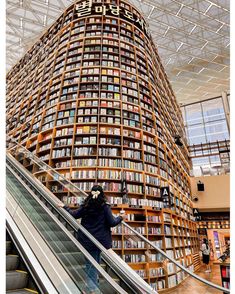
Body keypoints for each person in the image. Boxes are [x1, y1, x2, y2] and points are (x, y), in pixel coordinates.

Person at [58, 185, 125, 293]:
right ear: (102, 194)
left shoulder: (86, 205)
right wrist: (121, 217)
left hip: (87, 239)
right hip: (100, 241)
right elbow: (112, 223)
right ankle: (92, 288)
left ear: (91, 193)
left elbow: (74, 215)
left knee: (91, 263)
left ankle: (92, 285)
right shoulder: (105, 206)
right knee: (94, 263)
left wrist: (64, 206)